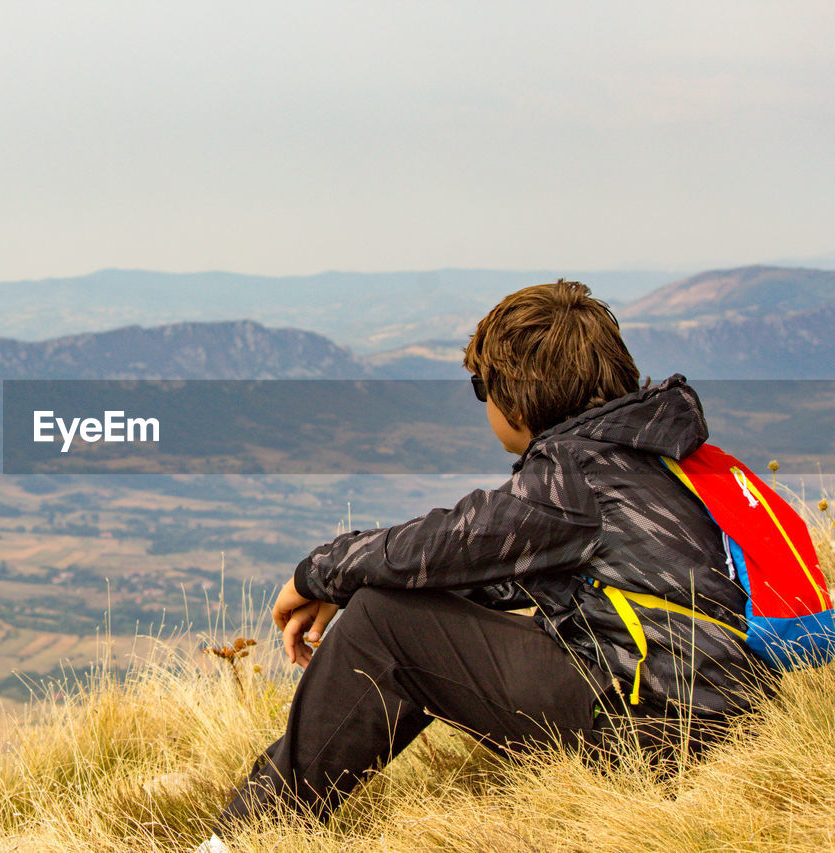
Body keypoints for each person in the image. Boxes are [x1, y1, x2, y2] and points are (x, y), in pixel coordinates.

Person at [212, 280, 769, 831]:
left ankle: (247, 836)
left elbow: (441, 545)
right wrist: (352, 588)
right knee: (394, 610)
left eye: (482, 387)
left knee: (385, 625)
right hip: (710, 718)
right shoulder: (650, 451)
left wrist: (316, 574)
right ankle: (264, 808)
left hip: (654, 734)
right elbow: (499, 576)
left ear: (515, 394)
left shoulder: (574, 478)